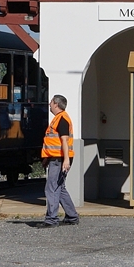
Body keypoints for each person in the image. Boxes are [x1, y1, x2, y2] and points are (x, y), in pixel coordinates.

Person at [40, 94, 79, 227]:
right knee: (60, 188)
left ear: (56, 104)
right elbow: (54, 142)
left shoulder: (62, 119)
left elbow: (64, 141)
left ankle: (51, 220)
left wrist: (66, 160)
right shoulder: (58, 119)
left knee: (51, 188)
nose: (49, 104)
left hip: (59, 159)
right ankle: (72, 217)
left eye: (51, 102)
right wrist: (47, 159)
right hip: (57, 158)